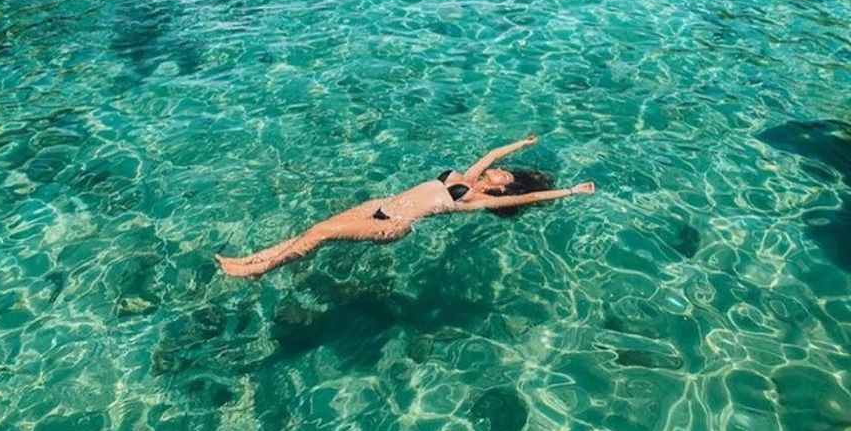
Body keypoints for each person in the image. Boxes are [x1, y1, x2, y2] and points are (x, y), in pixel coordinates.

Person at [216, 134, 595, 279]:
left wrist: (571, 192)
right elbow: (492, 152)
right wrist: (521, 145)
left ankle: (261, 268)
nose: (498, 172)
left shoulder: (475, 199)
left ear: (498, 193)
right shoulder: (469, 175)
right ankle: (252, 260)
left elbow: (528, 197)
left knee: (321, 234)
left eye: (503, 178)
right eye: (501, 172)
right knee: (313, 229)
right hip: (381, 205)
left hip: (394, 224)